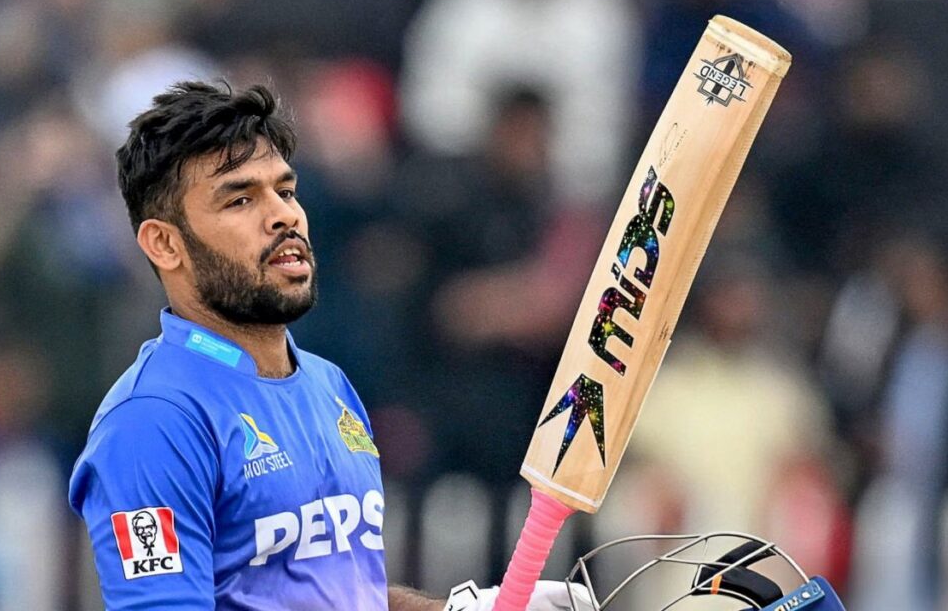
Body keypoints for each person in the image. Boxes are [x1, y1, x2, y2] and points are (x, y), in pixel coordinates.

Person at [68, 81, 590, 610]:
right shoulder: (151, 421)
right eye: (240, 199)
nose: (284, 216)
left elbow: (340, 593)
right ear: (164, 243)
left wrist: (467, 610)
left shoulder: (327, 383)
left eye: (285, 191)